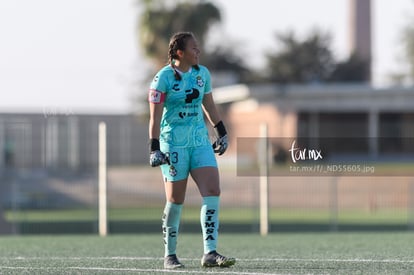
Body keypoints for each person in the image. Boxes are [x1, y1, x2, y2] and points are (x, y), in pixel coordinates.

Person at [148, 32, 236, 269]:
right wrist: (154, 148)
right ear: (180, 52)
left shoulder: (202, 74)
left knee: (213, 190)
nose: (198, 52)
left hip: (199, 141)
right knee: (175, 200)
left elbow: (209, 106)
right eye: (194, 48)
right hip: (173, 143)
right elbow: (154, 119)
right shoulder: (162, 78)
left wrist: (222, 132)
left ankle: (210, 252)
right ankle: (170, 255)